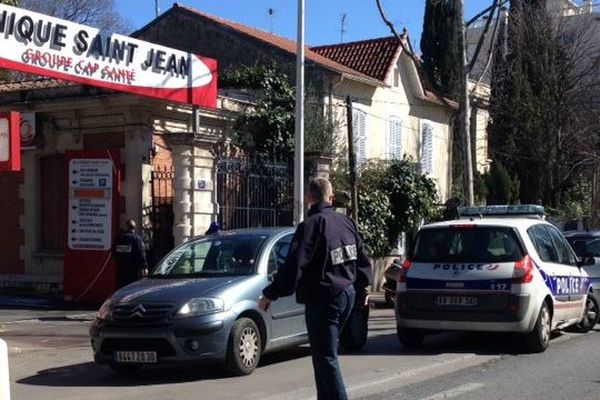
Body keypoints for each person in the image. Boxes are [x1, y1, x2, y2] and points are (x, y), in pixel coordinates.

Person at [259, 178, 372, 400]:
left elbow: (294, 265)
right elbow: (362, 259)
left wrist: (270, 294)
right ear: (330, 197)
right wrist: (363, 289)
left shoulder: (310, 226)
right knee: (323, 355)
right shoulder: (347, 222)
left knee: (326, 358)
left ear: (309, 198)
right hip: (346, 295)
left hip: (325, 299)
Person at [113, 219, 148, 288]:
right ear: (134, 228)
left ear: (126, 227)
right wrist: (144, 267)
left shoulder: (118, 238)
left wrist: (120, 260)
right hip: (134, 272)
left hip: (121, 271)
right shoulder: (137, 239)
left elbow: (114, 252)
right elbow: (141, 254)